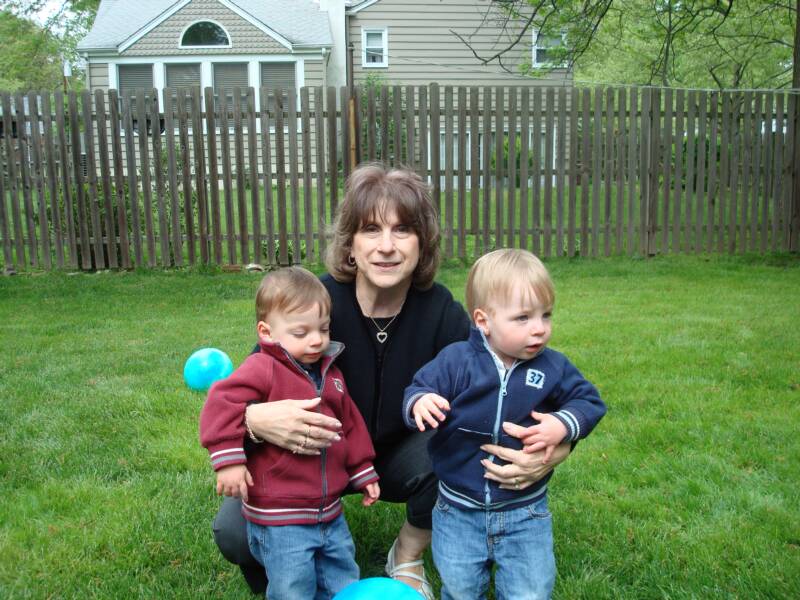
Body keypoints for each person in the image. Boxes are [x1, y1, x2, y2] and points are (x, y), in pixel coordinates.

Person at [211, 164, 573, 598]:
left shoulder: (440, 311)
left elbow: (522, 387)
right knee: (234, 532)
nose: (386, 246)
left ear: (423, 243)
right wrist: (254, 422)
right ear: (350, 244)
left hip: (406, 457)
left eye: (402, 229)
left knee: (465, 443)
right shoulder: (315, 303)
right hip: (312, 454)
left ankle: (407, 550)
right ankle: (289, 565)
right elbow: (244, 387)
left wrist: (557, 448)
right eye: (371, 229)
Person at [404, 248, 607, 600]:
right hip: (458, 509)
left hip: (525, 510)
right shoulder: (457, 361)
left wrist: (562, 424)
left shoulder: (552, 367)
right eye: (523, 317)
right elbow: (419, 388)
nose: (539, 329)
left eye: (546, 315)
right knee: (461, 587)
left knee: (531, 590)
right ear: (484, 321)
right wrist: (421, 402)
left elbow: (589, 402)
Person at [200, 267, 381, 600]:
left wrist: (362, 469)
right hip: (280, 517)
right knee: (293, 588)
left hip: (329, 512)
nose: (317, 340)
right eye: (301, 332)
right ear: (267, 332)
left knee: (343, 580)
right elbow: (221, 402)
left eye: (323, 329)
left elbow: (350, 425)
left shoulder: (331, 374)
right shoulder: (263, 367)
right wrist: (229, 460)